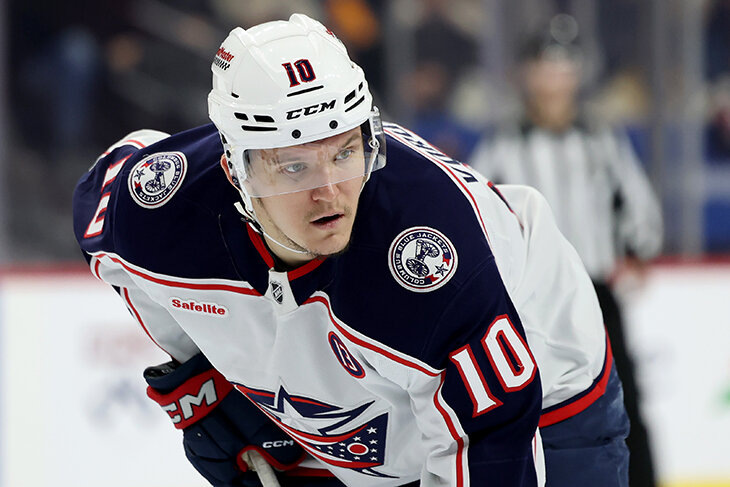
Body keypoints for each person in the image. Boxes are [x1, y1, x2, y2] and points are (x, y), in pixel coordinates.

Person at [73, 14, 628, 487]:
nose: (330, 193)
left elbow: (491, 442)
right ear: (236, 169)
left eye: (344, 153)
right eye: (294, 167)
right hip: (376, 395)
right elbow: (107, 212)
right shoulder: (162, 206)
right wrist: (198, 375)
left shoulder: (430, 261)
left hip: (545, 385)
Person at [469, 15, 662, 487]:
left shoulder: (600, 139)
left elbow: (639, 208)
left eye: (565, 65)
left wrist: (637, 249)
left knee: (623, 398)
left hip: (597, 292)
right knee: (534, 402)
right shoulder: (503, 145)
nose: (556, 78)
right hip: (530, 302)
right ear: (527, 73)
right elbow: (473, 211)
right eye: (546, 65)